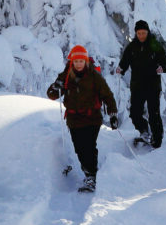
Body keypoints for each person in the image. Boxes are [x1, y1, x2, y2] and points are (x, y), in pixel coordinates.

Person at [46, 45, 118, 192]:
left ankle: (91, 177)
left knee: (89, 147)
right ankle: (90, 172)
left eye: (81, 61)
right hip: (74, 118)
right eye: (76, 61)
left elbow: (107, 94)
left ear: (85, 61)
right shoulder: (66, 75)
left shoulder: (94, 76)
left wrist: (113, 113)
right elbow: (52, 95)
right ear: (72, 62)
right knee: (80, 148)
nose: (79, 64)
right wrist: (56, 86)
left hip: (92, 117)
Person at [116, 19, 166, 149]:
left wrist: (162, 68)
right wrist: (121, 69)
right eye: (139, 33)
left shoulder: (155, 45)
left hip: (153, 86)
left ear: (147, 32)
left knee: (154, 114)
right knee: (135, 113)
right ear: (136, 33)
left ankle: (157, 142)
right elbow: (124, 62)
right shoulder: (132, 47)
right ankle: (145, 132)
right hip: (137, 86)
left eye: (143, 33)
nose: (141, 35)